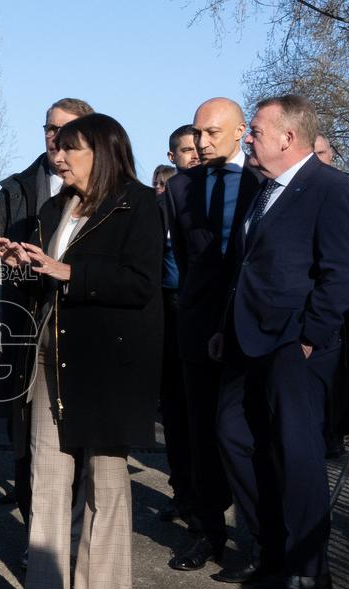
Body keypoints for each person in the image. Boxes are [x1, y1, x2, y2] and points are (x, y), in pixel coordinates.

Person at [0, 113, 162, 589]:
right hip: (51, 360)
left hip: (108, 366)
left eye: (71, 148)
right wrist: (24, 265)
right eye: (57, 147)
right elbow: (46, 284)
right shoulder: (52, 208)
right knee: (46, 483)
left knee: (105, 484)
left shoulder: (138, 203)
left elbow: (142, 282)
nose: (58, 157)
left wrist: (69, 272)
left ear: (102, 151)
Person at [211, 94, 349, 589]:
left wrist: (310, 337)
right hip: (246, 339)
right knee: (235, 436)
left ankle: (308, 568)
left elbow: (343, 272)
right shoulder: (262, 190)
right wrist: (224, 325)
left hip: (296, 344)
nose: (248, 139)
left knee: (296, 452)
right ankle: (269, 551)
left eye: (255, 130)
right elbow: (245, 266)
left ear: (288, 137)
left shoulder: (330, 188)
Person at [162, 98, 261, 577]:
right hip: (198, 324)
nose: (200, 143)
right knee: (199, 431)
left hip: (252, 324)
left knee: (248, 434)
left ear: (241, 131)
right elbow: (186, 258)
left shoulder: (264, 181)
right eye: (197, 134)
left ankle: (259, 538)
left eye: (212, 133)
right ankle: (206, 531)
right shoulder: (181, 187)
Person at [0, 97, 93, 530]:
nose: (56, 137)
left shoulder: (112, 195)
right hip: (26, 332)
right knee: (26, 443)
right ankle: (35, 537)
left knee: (76, 443)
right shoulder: (15, 190)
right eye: (50, 128)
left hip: (81, 335)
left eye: (67, 130)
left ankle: (69, 535)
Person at [155, 124, 201, 527]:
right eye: (187, 149)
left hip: (203, 311)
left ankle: (206, 498)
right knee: (174, 411)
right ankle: (182, 492)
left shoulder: (215, 198)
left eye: (198, 147)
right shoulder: (161, 204)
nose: (195, 154)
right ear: (173, 157)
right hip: (168, 310)